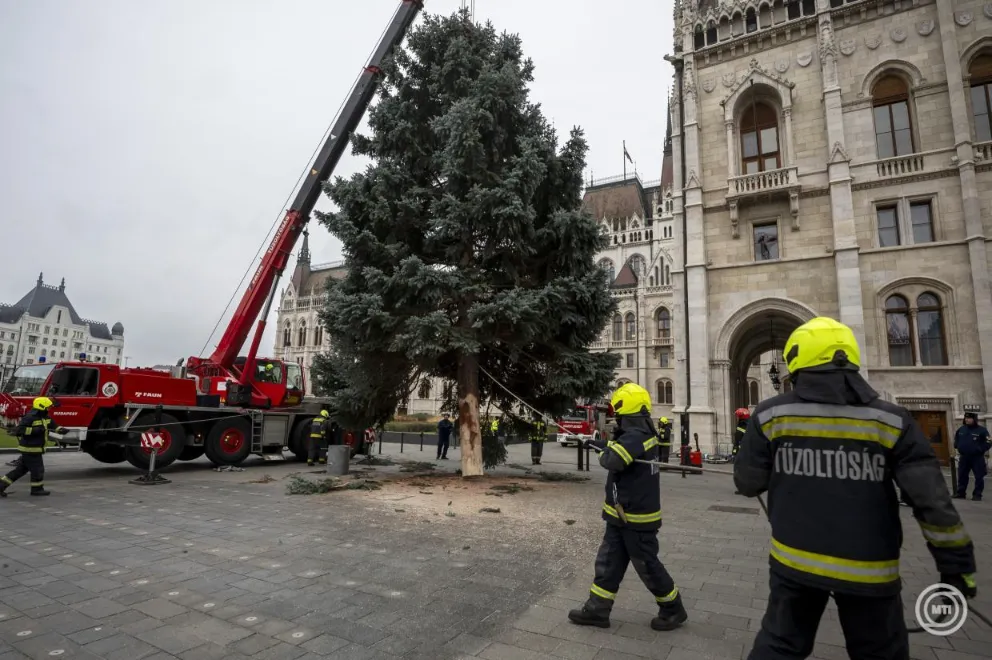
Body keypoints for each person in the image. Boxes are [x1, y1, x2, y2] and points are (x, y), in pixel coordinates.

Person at [734, 317, 976, 658]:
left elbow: (747, 483)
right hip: (870, 570)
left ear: (797, 359)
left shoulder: (773, 414)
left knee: (780, 644)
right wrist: (956, 565)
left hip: (795, 561)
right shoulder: (891, 419)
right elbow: (932, 501)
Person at [568, 383, 687, 632]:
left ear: (624, 409)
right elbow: (621, 453)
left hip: (636, 518)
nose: (616, 417)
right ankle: (597, 610)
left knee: (647, 566)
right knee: (608, 563)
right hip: (621, 515)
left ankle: (673, 608)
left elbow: (614, 460)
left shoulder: (637, 436)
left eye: (617, 413)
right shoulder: (640, 433)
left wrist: (603, 452)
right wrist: (601, 445)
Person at [0, 397, 68, 497]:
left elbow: (52, 424)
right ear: (41, 407)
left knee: (20, 470)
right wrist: (35, 431)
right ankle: (37, 489)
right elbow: (20, 430)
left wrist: (60, 430)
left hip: (34, 449)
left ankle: (1, 485)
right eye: (47, 407)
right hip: (30, 449)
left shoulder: (44, 416)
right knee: (38, 469)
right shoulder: (30, 417)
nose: (49, 409)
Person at [954, 412, 990, 501]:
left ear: (974, 419)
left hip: (977, 458)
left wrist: (980, 449)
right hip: (964, 457)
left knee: (979, 476)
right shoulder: (961, 429)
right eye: (966, 418)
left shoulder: (982, 430)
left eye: (969, 418)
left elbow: (988, 442)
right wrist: (957, 445)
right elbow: (957, 439)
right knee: (962, 475)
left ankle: (977, 494)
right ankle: (961, 493)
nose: (967, 420)